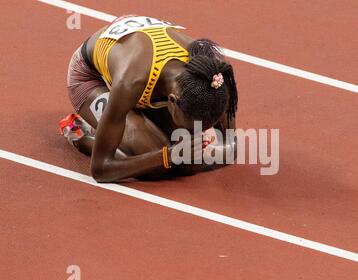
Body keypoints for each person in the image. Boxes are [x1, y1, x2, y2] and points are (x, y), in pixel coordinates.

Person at [59, 15, 238, 182]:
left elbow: (231, 149)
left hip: (141, 60)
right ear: (173, 101)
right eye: (190, 127)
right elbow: (101, 170)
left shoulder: (213, 80)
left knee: (186, 161)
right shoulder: (130, 82)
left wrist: (210, 152)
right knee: (157, 167)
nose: (193, 132)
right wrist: (169, 155)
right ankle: (86, 137)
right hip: (93, 78)